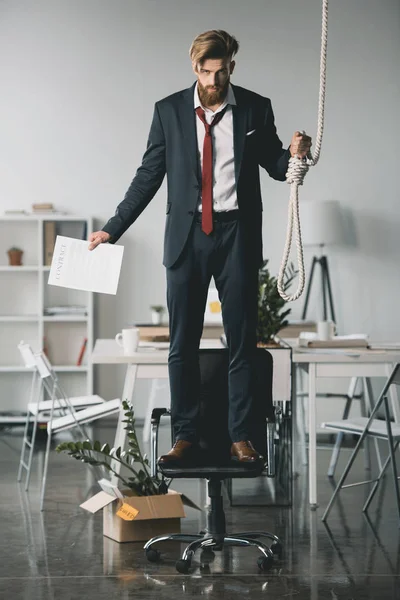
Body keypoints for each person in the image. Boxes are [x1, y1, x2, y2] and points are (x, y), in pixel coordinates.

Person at [89, 30, 311, 464]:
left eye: (222, 70)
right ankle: (185, 436)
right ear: (195, 68)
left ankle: (242, 437)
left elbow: (278, 166)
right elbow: (147, 177)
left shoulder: (254, 107)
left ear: (232, 66)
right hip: (187, 239)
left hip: (237, 236)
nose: (215, 79)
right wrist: (112, 229)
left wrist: (297, 155)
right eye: (207, 71)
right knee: (182, 344)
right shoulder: (169, 111)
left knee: (242, 343)